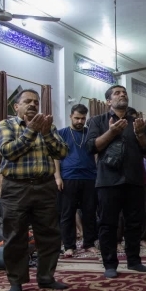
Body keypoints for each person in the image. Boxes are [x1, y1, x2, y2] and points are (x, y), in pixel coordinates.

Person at [0, 88, 69, 291]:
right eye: (27, 101)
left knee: (49, 235)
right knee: (15, 236)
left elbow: (63, 152)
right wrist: (31, 131)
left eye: (36, 102)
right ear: (16, 106)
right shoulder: (6, 125)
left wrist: (46, 133)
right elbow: (8, 151)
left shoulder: (48, 127)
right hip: (16, 188)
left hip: (45, 186)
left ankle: (46, 277)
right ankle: (16, 281)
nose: (33, 104)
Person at [86, 85, 146, 278]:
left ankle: (134, 261)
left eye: (124, 92)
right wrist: (111, 132)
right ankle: (110, 264)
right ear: (108, 101)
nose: (122, 94)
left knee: (134, 222)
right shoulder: (98, 121)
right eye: (117, 93)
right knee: (107, 223)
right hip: (108, 180)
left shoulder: (136, 122)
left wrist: (140, 134)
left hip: (134, 179)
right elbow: (91, 147)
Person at [54, 104, 98, 257]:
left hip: (89, 177)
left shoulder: (90, 133)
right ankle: (69, 245)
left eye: (83, 119)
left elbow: (96, 153)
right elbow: (55, 156)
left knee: (90, 212)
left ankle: (89, 243)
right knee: (67, 213)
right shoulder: (62, 133)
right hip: (68, 177)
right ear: (70, 116)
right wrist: (57, 177)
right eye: (77, 118)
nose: (80, 121)